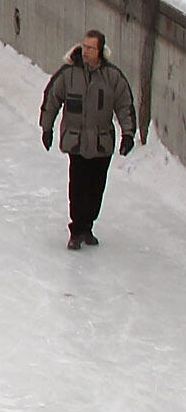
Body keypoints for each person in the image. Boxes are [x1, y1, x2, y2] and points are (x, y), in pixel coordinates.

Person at [40, 29, 138, 249]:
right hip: (76, 142)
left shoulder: (112, 77)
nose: (85, 51)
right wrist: (47, 128)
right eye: (84, 46)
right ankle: (76, 230)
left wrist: (128, 134)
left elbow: (124, 105)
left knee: (96, 188)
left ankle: (88, 226)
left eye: (91, 48)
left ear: (100, 51)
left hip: (101, 143)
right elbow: (52, 98)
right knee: (77, 186)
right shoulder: (68, 74)